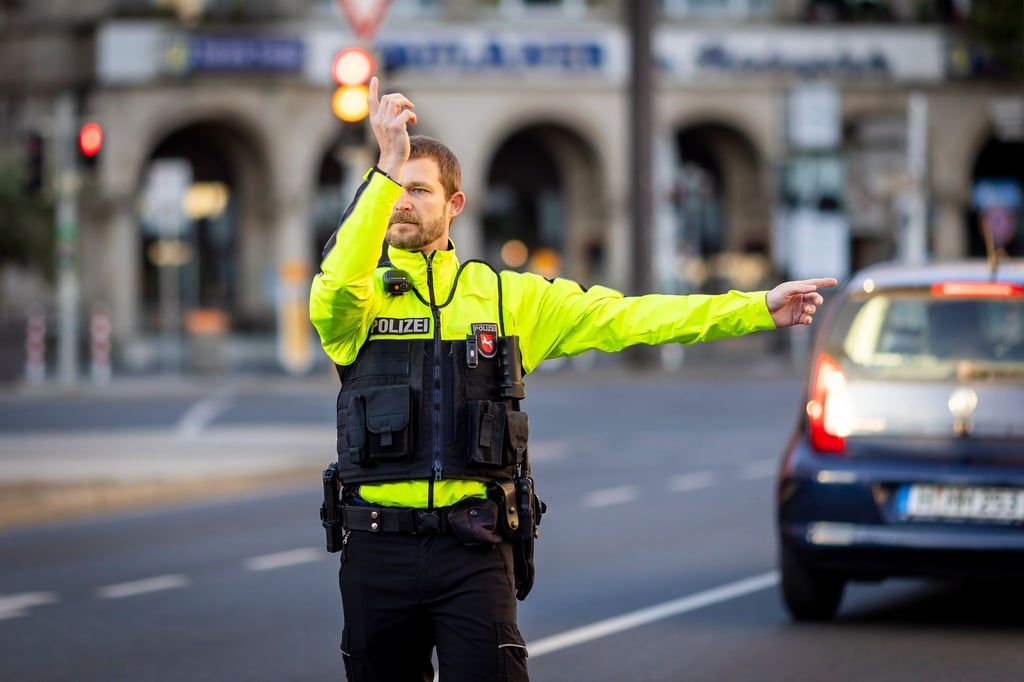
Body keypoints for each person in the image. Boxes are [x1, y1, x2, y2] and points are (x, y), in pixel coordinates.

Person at [309, 77, 837, 682]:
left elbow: (631, 316)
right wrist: (386, 166)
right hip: (379, 551)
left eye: (418, 190)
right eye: (392, 191)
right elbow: (333, 283)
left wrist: (756, 308)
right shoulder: (359, 300)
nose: (401, 201)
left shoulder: (509, 297)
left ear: (454, 205)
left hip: (474, 549)